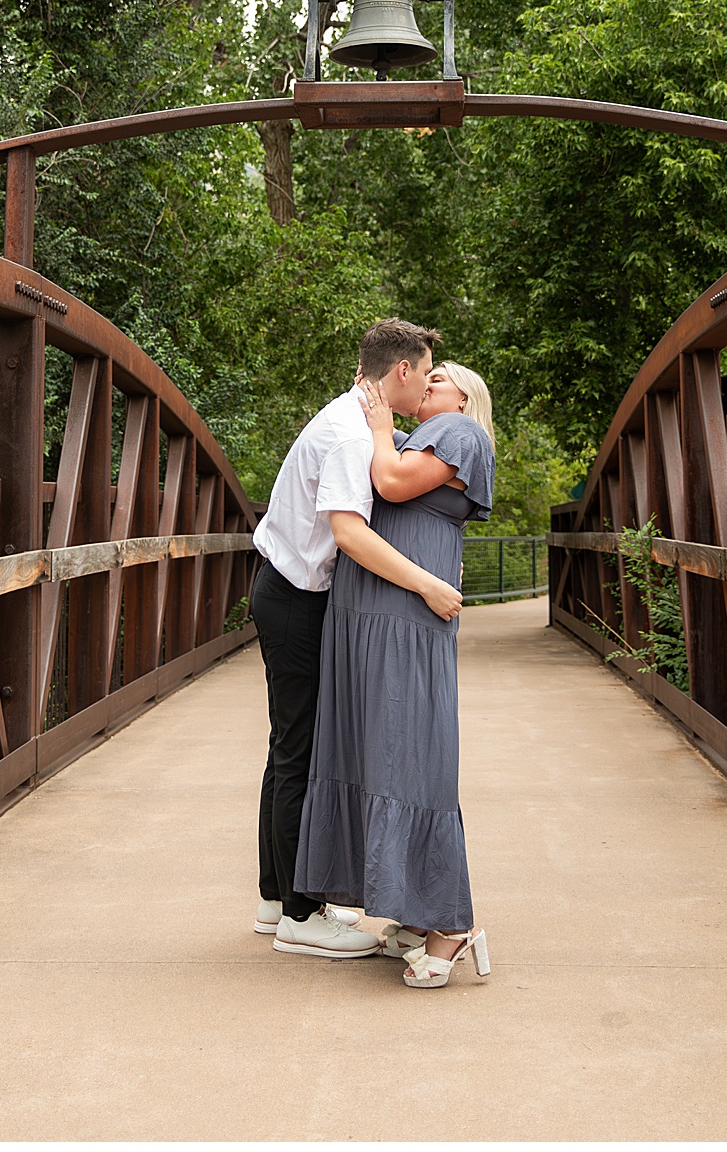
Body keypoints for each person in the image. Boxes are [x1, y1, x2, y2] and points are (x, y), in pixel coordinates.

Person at [249, 320, 465, 960]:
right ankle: (299, 914)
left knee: (291, 745)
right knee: (301, 752)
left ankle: (275, 897)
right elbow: (350, 534)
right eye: (425, 372)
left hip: (284, 590)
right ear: (401, 372)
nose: (428, 383)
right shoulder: (348, 434)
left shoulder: (351, 418)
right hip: (295, 600)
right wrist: (428, 585)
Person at [294, 360, 496, 989]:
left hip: (408, 614)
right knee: (372, 753)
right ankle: (409, 911)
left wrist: (379, 425)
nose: (427, 386)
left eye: (439, 381)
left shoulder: (462, 433)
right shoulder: (413, 436)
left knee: (412, 753)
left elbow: (392, 481)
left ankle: (449, 925)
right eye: (426, 378)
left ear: (464, 397)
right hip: (364, 616)